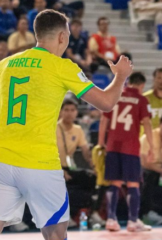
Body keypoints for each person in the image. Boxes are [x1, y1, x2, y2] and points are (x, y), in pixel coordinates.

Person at [0, 9, 133, 240]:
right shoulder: (61, 66)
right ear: (62, 36)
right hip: (39, 163)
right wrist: (120, 77)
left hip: (2, 161)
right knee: (56, 234)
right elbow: (106, 103)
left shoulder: (5, 64)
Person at [97, 72, 154, 232]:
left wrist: (100, 143)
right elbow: (147, 123)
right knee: (133, 184)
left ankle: (111, 219)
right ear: (141, 85)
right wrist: (151, 146)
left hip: (113, 145)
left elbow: (104, 119)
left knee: (114, 183)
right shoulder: (142, 100)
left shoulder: (116, 96)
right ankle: (132, 221)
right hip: (131, 147)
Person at [56, 98, 96, 228]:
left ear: (76, 112)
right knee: (66, 187)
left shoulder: (78, 129)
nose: (69, 113)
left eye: (72, 110)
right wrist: (60, 171)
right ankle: (65, 216)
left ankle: (89, 213)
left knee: (90, 178)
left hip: (69, 167)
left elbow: (85, 151)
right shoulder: (53, 127)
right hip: (54, 167)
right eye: (66, 110)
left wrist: (94, 166)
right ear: (61, 112)